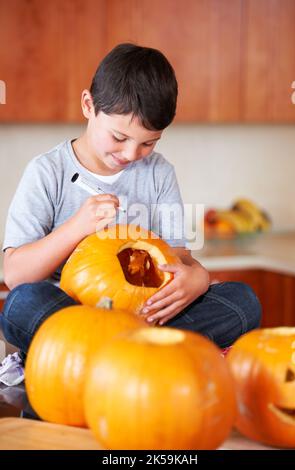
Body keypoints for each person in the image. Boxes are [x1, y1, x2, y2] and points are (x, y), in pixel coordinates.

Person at [0, 43, 261, 361]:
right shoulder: (47, 171)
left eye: (148, 143)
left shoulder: (159, 173)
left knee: (242, 301)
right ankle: (139, 350)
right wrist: (75, 228)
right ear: (88, 105)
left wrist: (198, 277)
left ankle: (103, 354)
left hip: (148, 313)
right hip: (73, 314)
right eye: (119, 138)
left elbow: (178, 258)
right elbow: (14, 274)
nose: (130, 154)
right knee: (22, 304)